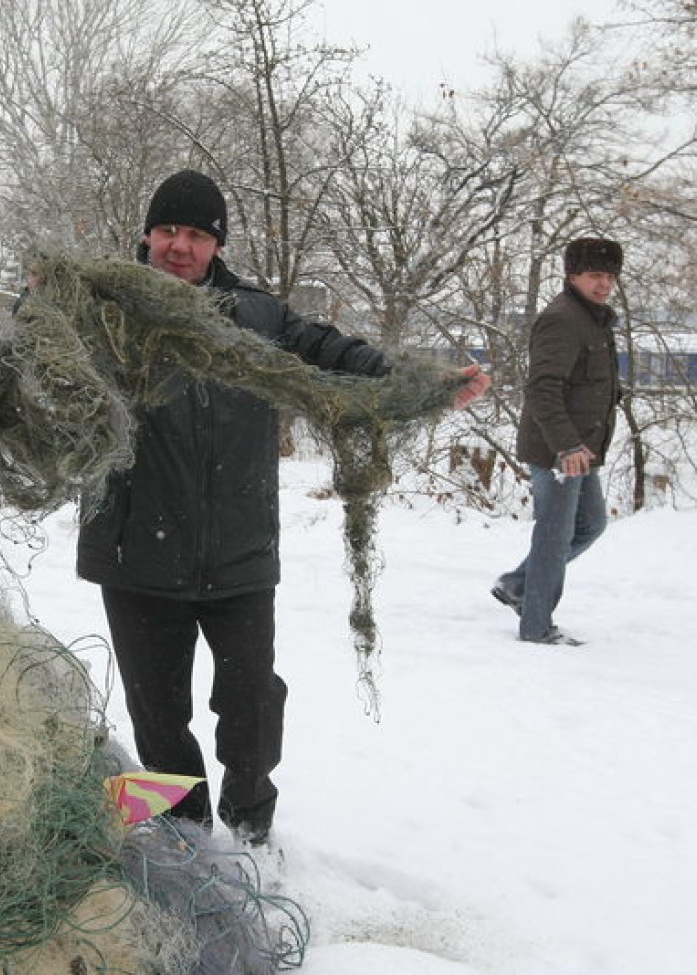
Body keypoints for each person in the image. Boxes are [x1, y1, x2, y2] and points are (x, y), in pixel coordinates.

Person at [75, 169, 489, 845]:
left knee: (252, 706)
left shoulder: (259, 316)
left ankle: (249, 822)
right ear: (147, 234)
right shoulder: (105, 309)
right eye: (167, 231)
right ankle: (184, 837)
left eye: (196, 235)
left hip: (238, 551)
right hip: (136, 556)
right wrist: (37, 302)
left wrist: (422, 385)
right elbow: (35, 349)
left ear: (217, 245)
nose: (178, 246)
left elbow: (334, 352)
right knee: (160, 718)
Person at [492, 236, 623, 646]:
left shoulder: (594, 318)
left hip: (582, 448)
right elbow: (543, 388)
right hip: (559, 449)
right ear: (572, 275)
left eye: (610, 276)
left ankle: (517, 585)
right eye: (594, 275)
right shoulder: (563, 319)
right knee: (554, 534)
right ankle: (536, 626)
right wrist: (565, 445)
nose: (604, 284)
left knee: (591, 524)